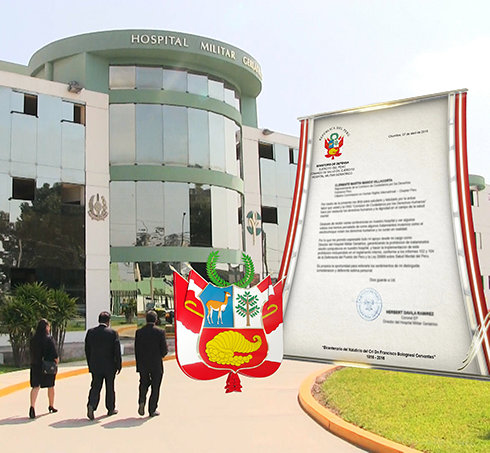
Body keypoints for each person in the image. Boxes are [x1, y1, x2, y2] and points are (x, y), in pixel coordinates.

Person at [84, 311, 122, 420]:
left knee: (95, 386)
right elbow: (117, 351)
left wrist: (90, 364)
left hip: (95, 365)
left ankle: (91, 405)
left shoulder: (91, 332)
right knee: (110, 387)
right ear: (108, 321)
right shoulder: (112, 333)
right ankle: (110, 408)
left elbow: (87, 350)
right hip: (110, 366)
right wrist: (119, 365)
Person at [135, 310, 168, 417]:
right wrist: (161, 355)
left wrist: (139, 365)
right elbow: (164, 350)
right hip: (156, 364)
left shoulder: (139, 332)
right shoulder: (160, 332)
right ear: (156, 319)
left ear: (146, 319)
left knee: (143, 383)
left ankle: (141, 401)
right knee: (155, 386)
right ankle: (152, 409)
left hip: (143, 364)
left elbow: (136, 350)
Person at [29, 318, 59, 419]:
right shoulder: (49, 339)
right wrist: (56, 361)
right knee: (51, 386)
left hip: (35, 365)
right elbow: (54, 353)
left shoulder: (33, 339)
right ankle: (51, 405)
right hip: (47, 366)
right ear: (46, 327)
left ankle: (32, 407)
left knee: (35, 386)